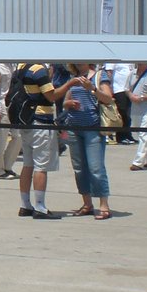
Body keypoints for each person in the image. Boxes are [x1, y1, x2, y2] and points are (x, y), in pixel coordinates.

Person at [14, 61, 75, 218]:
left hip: (25, 121)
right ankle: (40, 207)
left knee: (27, 164)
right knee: (41, 166)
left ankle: (25, 204)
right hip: (40, 121)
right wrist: (70, 84)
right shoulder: (39, 70)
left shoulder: (21, 67)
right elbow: (52, 96)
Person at [61, 63, 114, 219]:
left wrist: (92, 88)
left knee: (96, 168)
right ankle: (87, 203)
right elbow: (65, 102)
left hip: (93, 127)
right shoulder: (73, 78)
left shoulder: (99, 76)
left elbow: (108, 98)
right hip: (74, 127)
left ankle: (104, 205)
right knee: (79, 168)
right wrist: (68, 104)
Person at [0, 61, 21, 179]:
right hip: (2, 105)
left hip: (15, 104)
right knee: (1, 138)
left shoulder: (13, 65)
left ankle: (7, 165)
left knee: (18, 136)